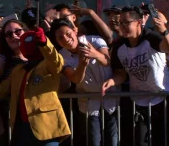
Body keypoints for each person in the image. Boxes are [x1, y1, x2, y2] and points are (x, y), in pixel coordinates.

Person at [0, 26, 71, 146]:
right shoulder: (17, 71)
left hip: (47, 128)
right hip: (22, 128)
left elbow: (57, 61)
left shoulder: (47, 66)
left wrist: (46, 43)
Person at [102, 5, 169, 146]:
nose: (122, 26)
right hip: (139, 100)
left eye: (126, 22)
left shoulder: (151, 38)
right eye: (121, 23)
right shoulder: (119, 46)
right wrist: (112, 81)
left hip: (164, 97)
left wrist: (164, 31)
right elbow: (121, 74)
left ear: (138, 22)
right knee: (140, 141)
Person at [50, 18, 118, 146]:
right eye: (60, 38)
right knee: (93, 140)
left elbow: (107, 61)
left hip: (111, 99)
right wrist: (82, 64)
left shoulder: (94, 40)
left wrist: (95, 54)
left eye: (68, 34)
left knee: (112, 140)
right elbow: (75, 79)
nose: (65, 39)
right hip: (88, 102)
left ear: (75, 30)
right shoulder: (61, 56)